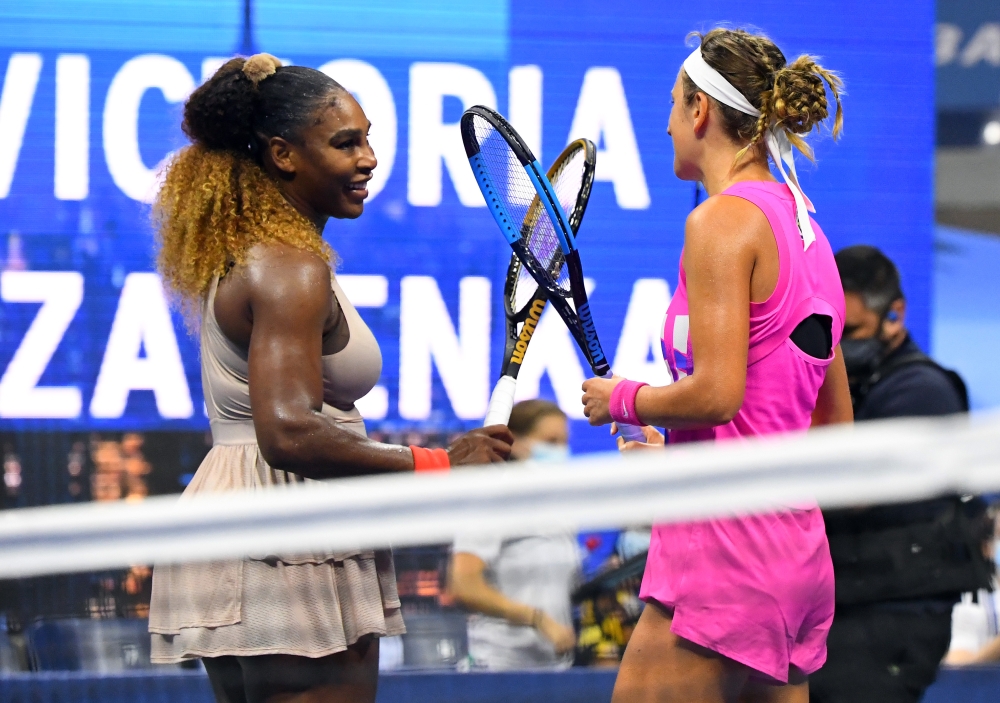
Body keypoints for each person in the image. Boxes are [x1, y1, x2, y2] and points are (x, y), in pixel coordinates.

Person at [147, 54, 513, 703]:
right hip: (286, 532)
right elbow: (287, 432)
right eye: (346, 142)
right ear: (285, 155)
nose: (368, 157)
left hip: (239, 520)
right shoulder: (290, 266)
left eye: (368, 137)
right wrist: (440, 463)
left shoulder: (260, 253)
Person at [581, 28, 852, 702]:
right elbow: (831, 424)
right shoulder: (808, 227)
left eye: (674, 103)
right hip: (797, 559)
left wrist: (624, 399)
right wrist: (676, 459)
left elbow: (719, 394)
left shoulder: (719, 223)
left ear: (701, 111)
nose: (667, 123)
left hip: (721, 559)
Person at [810, 245, 990, 703]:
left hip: (896, 614)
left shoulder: (923, 390)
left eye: (851, 331)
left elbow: (856, 489)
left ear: (895, 314)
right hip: (845, 606)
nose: (838, 346)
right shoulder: (849, 382)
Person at [448, 400, 581, 670]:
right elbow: (464, 584)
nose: (560, 451)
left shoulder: (561, 510)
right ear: (516, 443)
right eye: (550, 441)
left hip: (554, 670)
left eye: (563, 442)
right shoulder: (494, 499)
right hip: (498, 669)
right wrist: (537, 619)